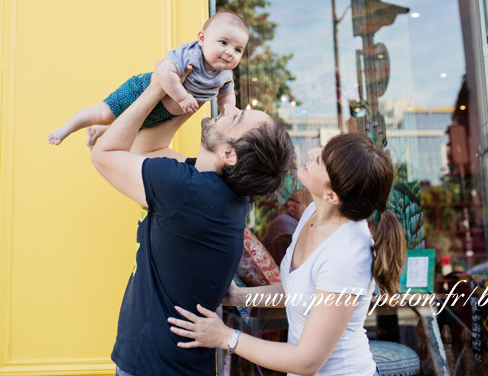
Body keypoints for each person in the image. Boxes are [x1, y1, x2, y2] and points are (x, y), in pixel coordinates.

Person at [89, 67, 295, 376]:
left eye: (236, 119)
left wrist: (156, 90)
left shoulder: (187, 190)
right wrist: (195, 91)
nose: (231, 109)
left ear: (228, 154)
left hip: (152, 369)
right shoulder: (213, 191)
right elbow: (149, 150)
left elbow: (103, 154)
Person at [167, 133, 407, 376]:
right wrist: (238, 296)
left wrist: (225, 337)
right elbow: (300, 291)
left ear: (332, 195)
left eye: (320, 161)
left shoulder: (347, 256)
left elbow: (306, 362)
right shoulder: (314, 211)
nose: (312, 152)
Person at [48, 11, 249, 145]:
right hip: (141, 91)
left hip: (163, 113)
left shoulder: (225, 75)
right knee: (104, 113)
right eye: (223, 42)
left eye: (238, 49)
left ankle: (98, 131)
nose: (230, 52)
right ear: (202, 39)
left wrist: (229, 112)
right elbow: (164, 72)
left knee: (132, 126)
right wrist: (182, 97)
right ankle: (67, 128)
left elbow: (226, 95)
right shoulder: (191, 54)